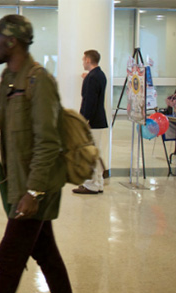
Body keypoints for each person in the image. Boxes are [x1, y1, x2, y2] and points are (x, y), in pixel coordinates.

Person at [0, 14, 84, 293]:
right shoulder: (9, 77)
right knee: (46, 254)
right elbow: (15, 119)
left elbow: (48, 142)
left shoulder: (39, 81)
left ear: (12, 42)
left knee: (9, 257)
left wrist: (33, 193)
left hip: (38, 186)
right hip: (21, 183)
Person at [73, 49, 108, 195]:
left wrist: (84, 120)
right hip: (99, 120)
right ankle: (98, 183)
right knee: (95, 152)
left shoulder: (92, 78)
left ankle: (91, 185)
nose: (82, 62)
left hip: (92, 122)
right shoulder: (99, 75)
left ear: (88, 60)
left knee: (89, 154)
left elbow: (89, 101)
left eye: (83, 59)